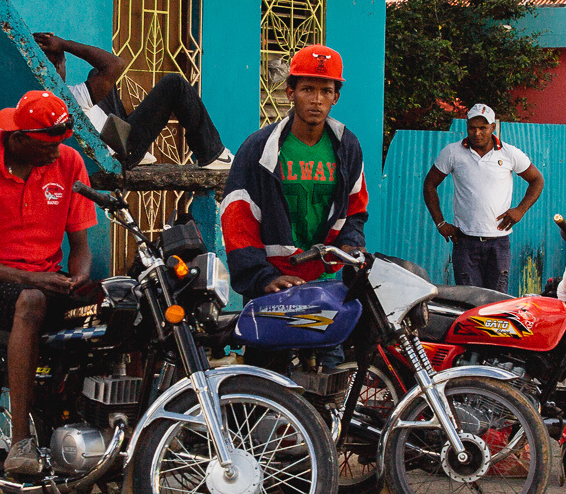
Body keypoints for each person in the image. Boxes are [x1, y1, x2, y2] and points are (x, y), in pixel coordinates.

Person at [0, 89, 99, 476]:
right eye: (48, 145)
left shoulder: (70, 163)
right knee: (31, 300)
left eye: (62, 143)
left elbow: (80, 245)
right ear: (18, 138)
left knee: (123, 301)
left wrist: (79, 276)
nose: (57, 153)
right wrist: (32, 278)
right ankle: (20, 441)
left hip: (49, 280)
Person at [219, 44, 368, 300]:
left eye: (326, 91)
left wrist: (350, 245)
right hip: (274, 282)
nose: (316, 99)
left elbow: (355, 209)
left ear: (336, 97)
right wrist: (262, 277)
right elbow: (237, 218)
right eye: (307, 89)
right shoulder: (259, 148)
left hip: (326, 281)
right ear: (290, 92)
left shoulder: (347, 146)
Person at [32, 31, 232, 171]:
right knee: (175, 84)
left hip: (112, 138)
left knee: (97, 75)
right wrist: (65, 44)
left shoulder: (39, 99)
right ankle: (213, 153)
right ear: (59, 66)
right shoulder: (70, 97)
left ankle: (142, 154)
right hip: (120, 153)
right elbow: (115, 64)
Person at [423, 104, 544, 292]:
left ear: (493, 127)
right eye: (472, 127)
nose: (477, 133)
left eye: (483, 128)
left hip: (499, 244)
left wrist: (520, 210)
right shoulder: (452, 153)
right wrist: (440, 223)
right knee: (469, 301)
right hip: (464, 243)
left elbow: (537, 180)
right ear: (467, 127)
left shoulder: (509, 153)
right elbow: (429, 184)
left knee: (496, 302)